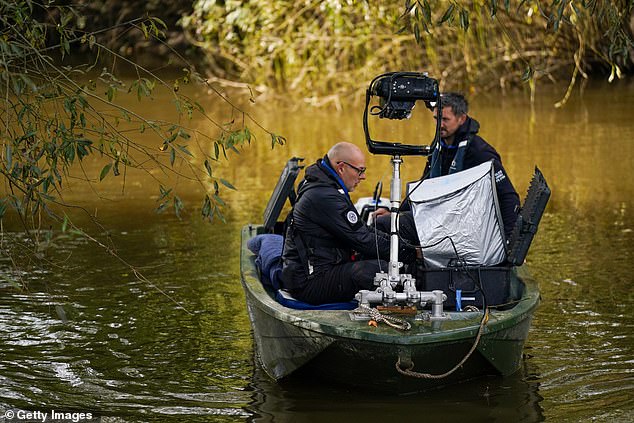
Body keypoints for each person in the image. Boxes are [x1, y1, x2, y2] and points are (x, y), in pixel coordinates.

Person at [376, 92, 520, 244]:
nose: (439, 125)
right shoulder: (439, 146)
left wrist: (511, 240)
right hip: (439, 218)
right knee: (385, 220)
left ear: (461, 119)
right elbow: (424, 186)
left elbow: (508, 196)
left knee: (384, 224)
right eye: (436, 119)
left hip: (463, 226)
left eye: (445, 119)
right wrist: (395, 211)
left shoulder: (479, 152)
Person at [280, 142, 414, 305]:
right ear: (342, 167)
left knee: (382, 232)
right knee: (377, 271)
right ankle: (405, 302)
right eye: (360, 170)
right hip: (309, 282)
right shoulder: (325, 197)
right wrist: (412, 255)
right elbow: (362, 239)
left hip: (321, 268)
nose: (363, 177)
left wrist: (402, 247)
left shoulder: (325, 184)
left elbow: (362, 230)